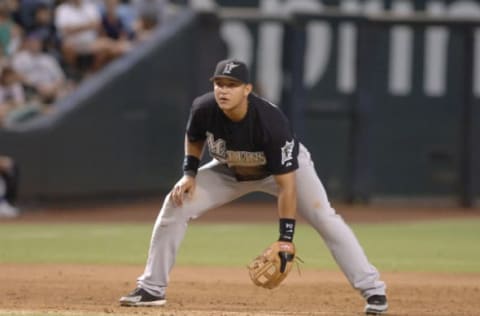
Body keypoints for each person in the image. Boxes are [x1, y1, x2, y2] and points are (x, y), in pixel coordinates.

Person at [119, 59, 388, 315]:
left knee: (324, 217)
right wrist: (188, 174)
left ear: (247, 90)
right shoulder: (204, 108)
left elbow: (287, 187)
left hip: (281, 171)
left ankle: (372, 289)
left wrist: (286, 238)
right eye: (219, 83)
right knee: (176, 203)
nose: (223, 90)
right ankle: (152, 288)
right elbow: (194, 137)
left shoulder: (270, 123)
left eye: (232, 85)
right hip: (230, 170)